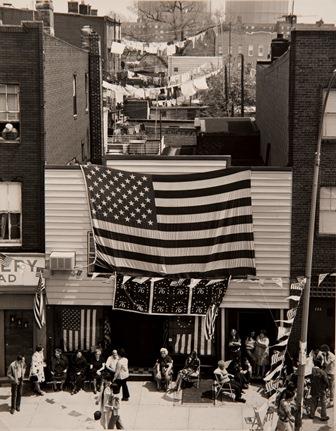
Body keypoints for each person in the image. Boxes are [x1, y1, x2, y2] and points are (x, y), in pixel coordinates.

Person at [309, 357, 329, 421]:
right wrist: (327, 387)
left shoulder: (311, 371)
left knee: (313, 402)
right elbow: (326, 382)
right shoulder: (322, 372)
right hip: (321, 390)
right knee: (323, 403)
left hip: (313, 389)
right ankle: (323, 416)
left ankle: (311, 414)